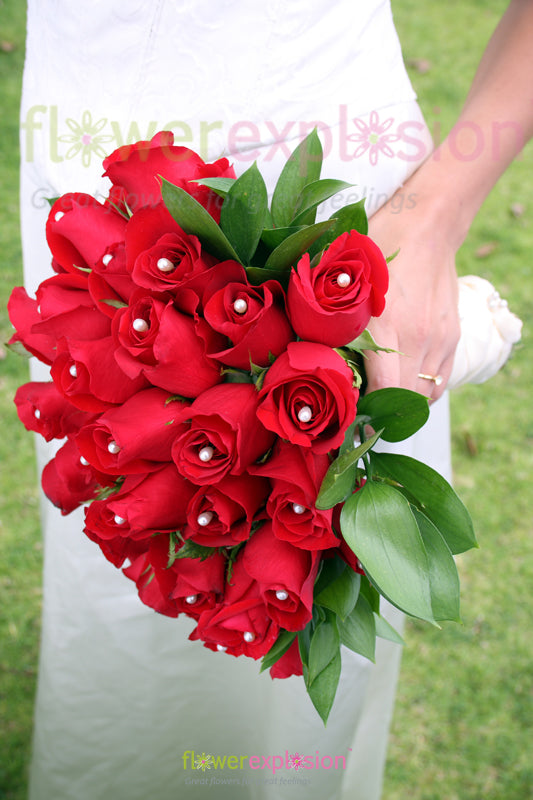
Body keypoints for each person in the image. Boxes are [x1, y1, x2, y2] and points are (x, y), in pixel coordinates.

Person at [18, 1, 533, 799]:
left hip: (343, 198)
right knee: (120, 624)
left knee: (302, 657)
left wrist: (431, 221)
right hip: (87, 184)